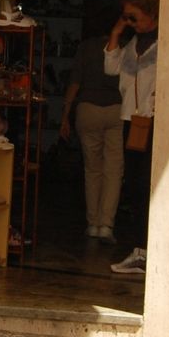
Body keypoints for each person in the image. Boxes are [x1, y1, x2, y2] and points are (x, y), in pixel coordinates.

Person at [104, 0, 159, 275]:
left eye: (133, 17)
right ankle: (140, 248)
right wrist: (116, 33)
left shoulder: (163, 44)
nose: (130, 22)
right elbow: (111, 69)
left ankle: (147, 249)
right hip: (131, 120)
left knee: (146, 185)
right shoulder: (131, 45)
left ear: (151, 14)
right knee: (135, 187)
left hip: (151, 120)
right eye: (126, 17)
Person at [59, 22, 124, 242]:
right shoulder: (123, 47)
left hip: (87, 109)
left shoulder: (85, 48)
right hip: (116, 109)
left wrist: (65, 115)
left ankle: (92, 223)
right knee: (113, 170)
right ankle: (107, 224)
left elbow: (75, 82)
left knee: (92, 169)